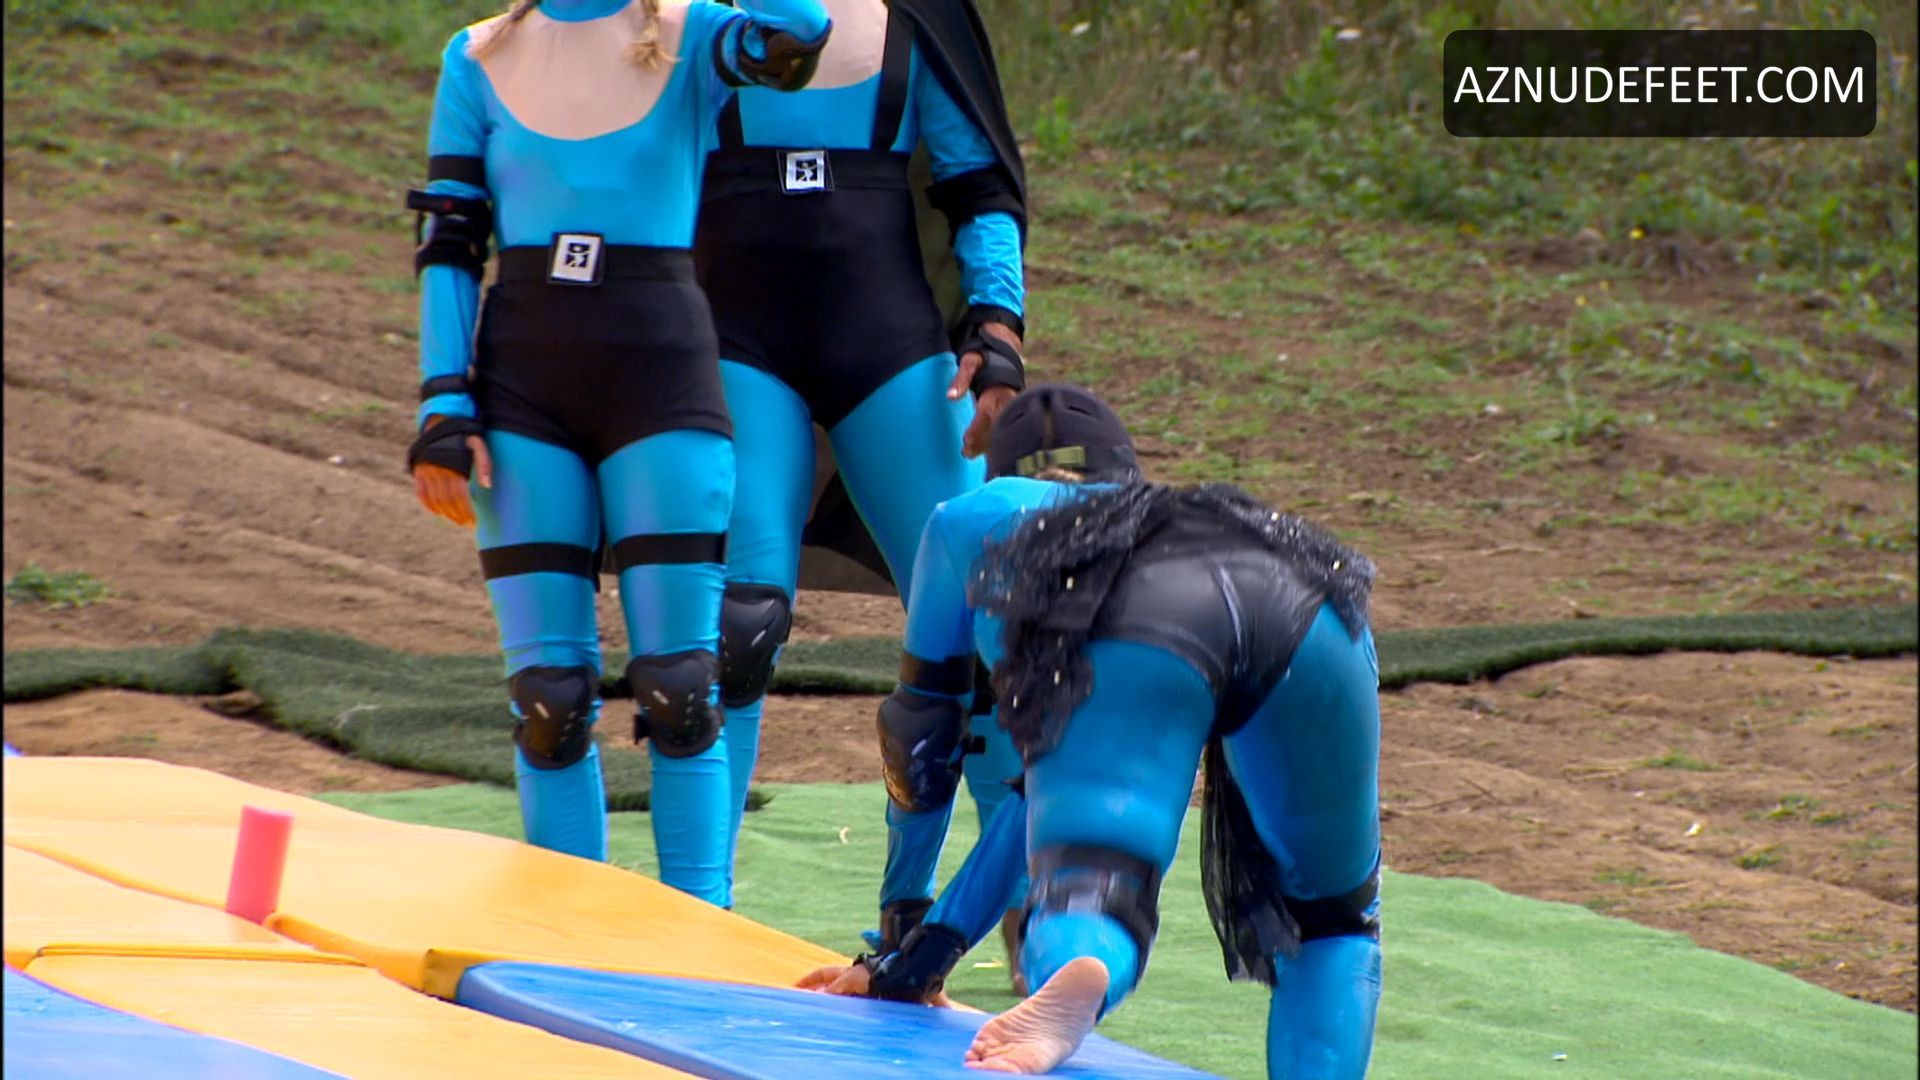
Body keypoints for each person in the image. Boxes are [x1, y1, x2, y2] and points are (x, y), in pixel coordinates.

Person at [800, 385, 1385, 1079]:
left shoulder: (977, 515)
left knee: (1095, 876)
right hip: (1308, 598)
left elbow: (918, 746)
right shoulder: (1163, 514)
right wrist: (927, 954)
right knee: (1336, 921)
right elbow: (1030, 802)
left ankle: (1083, 960)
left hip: (1148, 611)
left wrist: (900, 936)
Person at [405, 0, 830, 905]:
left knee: (682, 688)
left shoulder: (694, 35)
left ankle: (700, 928)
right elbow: (449, 243)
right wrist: (443, 404)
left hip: (661, 377)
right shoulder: (475, 57)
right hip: (522, 388)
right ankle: (569, 939)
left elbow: (801, 31)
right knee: (548, 701)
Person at [690, 0, 1031, 940]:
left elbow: (979, 187)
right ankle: (697, 908)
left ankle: (1016, 900)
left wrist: (997, 329)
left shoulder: (922, 19)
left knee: (982, 637)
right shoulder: (692, 19)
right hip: (734, 342)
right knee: (737, 628)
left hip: (891, 348)